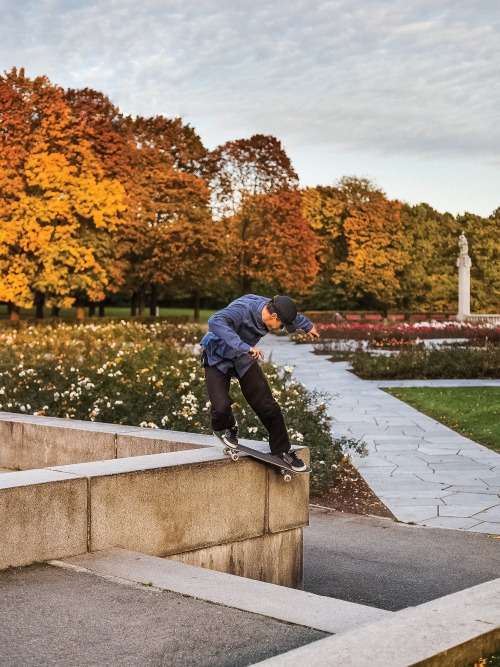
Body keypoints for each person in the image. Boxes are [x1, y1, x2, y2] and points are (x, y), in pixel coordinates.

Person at [200, 294, 319, 471]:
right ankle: (228, 427)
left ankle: (282, 450)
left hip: (243, 358)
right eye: (280, 325)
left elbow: (289, 313)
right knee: (220, 407)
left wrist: (307, 326)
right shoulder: (241, 311)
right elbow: (215, 321)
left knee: (266, 404)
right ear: (273, 317)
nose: (279, 329)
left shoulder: (270, 305)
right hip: (217, 356)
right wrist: (244, 346)